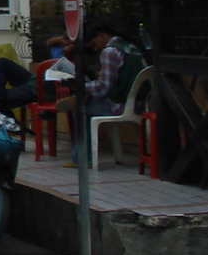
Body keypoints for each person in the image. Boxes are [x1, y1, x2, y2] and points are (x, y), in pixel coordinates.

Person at [57, 22, 147, 166]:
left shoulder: (110, 52)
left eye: (94, 44)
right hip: (141, 101)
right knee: (88, 98)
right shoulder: (129, 46)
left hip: (121, 104)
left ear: (101, 36)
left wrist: (82, 87)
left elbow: (104, 88)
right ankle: (82, 98)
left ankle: (81, 158)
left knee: (80, 109)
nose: (96, 48)